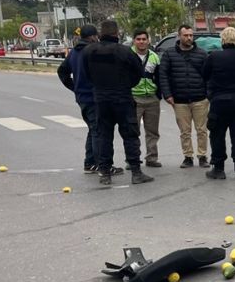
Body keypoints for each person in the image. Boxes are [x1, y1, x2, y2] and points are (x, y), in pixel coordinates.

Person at [83, 20, 153, 186]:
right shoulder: (125, 52)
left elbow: (87, 74)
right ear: (117, 34)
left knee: (103, 136)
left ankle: (105, 173)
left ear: (100, 34)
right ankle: (136, 172)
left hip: (101, 99)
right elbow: (138, 73)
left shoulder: (89, 51)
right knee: (130, 135)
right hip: (122, 98)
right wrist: (126, 85)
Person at [57, 25, 116, 176]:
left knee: (92, 129)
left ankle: (89, 163)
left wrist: (74, 87)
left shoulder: (74, 52)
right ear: (92, 37)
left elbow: (62, 71)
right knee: (98, 131)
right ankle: (101, 165)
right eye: (96, 36)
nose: (97, 38)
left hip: (82, 97)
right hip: (94, 97)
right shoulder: (92, 51)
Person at [201, 27, 235, 181]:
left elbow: (204, 75)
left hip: (220, 101)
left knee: (217, 135)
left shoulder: (214, 57)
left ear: (222, 40)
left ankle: (218, 169)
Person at [159, 25, 210, 169]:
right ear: (179, 36)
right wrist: (167, 94)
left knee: (202, 130)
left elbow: (208, 75)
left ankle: (202, 156)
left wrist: (208, 94)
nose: (189, 38)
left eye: (191, 35)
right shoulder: (169, 54)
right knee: (185, 131)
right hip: (179, 99)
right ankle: (188, 156)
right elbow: (163, 75)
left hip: (200, 98)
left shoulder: (202, 54)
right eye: (186, 35)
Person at [131, 29, 162, 168]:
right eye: (138, 39)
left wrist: (159, 95)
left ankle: (152, 158)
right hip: (134, 98)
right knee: (132, 131)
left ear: (148, 40)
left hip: (151, 98)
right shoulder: (128, 55)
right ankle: (132, 159)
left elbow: (160, 77)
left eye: (144, 39)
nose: (141, 42)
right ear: (134, 41)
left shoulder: (155, 57)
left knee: (152, 131)